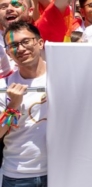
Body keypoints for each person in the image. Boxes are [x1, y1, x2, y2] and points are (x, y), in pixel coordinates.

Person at [0, 22, 49, 186]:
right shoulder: (4, 86)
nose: (20, 49)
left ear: (40, 43)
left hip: (60, 169)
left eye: (26, 41)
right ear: (8, 52)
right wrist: (13, 106)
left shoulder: (62, 76)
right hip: (19, 175)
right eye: (13, 45)